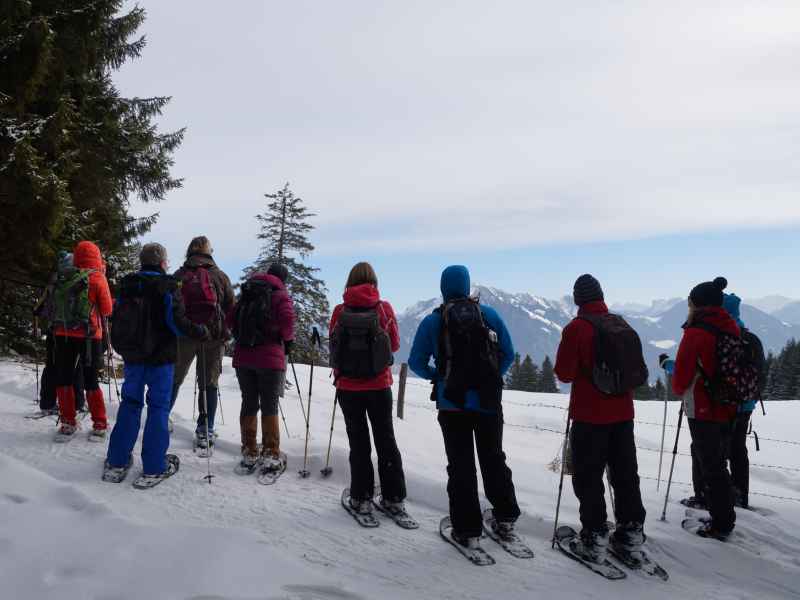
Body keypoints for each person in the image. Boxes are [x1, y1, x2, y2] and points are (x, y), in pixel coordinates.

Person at [408, 265, 519, 548]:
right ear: (467, 286)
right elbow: (509, 353)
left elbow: (416, 362)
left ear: (443, 288)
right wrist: (492, 378)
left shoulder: (433, 321)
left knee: (461, 467)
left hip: (452, 404)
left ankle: (467, 531)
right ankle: (505, 518)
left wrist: (439, 378)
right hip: (488, 402)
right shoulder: (489, 315)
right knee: (493, 459)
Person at [554, 274, 647, 564]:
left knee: (588, 477)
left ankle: (594, 538)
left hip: (590, 417)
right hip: (623, 415)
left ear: (577, 299)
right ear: (601, 296)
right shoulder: (620, 323)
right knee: (625, 475)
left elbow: (564, 373)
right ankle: (631, 533)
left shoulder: (576, 328)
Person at [105, 243, 209, 483]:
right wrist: (200, 331)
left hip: (133, 357)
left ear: (142, 261)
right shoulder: (168, 286)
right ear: (162, 262)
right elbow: (177, 324)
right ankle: (153, 466)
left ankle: (116, 461)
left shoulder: (129, 284)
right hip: (160, 359)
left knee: (130, 405)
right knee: (158, 409)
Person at [329, 262, 406, 514]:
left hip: (348, 388)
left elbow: (333, 346)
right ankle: (394, 498)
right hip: (379, 385)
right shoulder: (383, 308)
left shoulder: (340, 311)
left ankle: (361, 498)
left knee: (359, 442)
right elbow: (394, 345)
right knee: (386, 440)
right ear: (374, 281)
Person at [672, 277, 738, 540]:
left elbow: (681, 378)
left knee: (711, 466)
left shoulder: (696, 332)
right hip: (727, 404)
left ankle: (721, 523)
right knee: (719, 463)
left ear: (697, 304)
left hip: (702, 407)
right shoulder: (730, 326)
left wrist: (679, 387)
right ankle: (723, 515)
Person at [228, 262, 295, 473]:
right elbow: (288, 321)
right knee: (269, 404)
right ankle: (271, 453)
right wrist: (287, 340)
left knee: (249, 402)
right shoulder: (281, 296)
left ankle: (249, 451)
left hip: (243, 357)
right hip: (270, 359)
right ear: (283, 279)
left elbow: (230, 319)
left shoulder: (248, 292)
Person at [170, 236, 235, 448]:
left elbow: (170, 306)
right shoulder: (220, 276)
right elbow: (230, 307)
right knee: (209, 383)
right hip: (213, 338)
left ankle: (161, 418)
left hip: (184, 336)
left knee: (174, 379)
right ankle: (205, 430)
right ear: (209, 252)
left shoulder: (179, 275)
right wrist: (225, 332)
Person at [51, 241, 113, 441]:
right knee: (90, 380)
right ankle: (99, 424)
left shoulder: (64, 276)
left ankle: (68, 423)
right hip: (89, 336)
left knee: (64, 377)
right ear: (97, 256)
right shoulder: (98, 277)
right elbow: (107, 310)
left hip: (63, 333)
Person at [33, 252, 85, 415]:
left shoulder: (54, 281)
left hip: (53, 330)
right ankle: (76, 403)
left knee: (51, 365)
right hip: (72, 331)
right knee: (75, 367)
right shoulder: (78, 279)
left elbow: (38, 308)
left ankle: (47, 402)